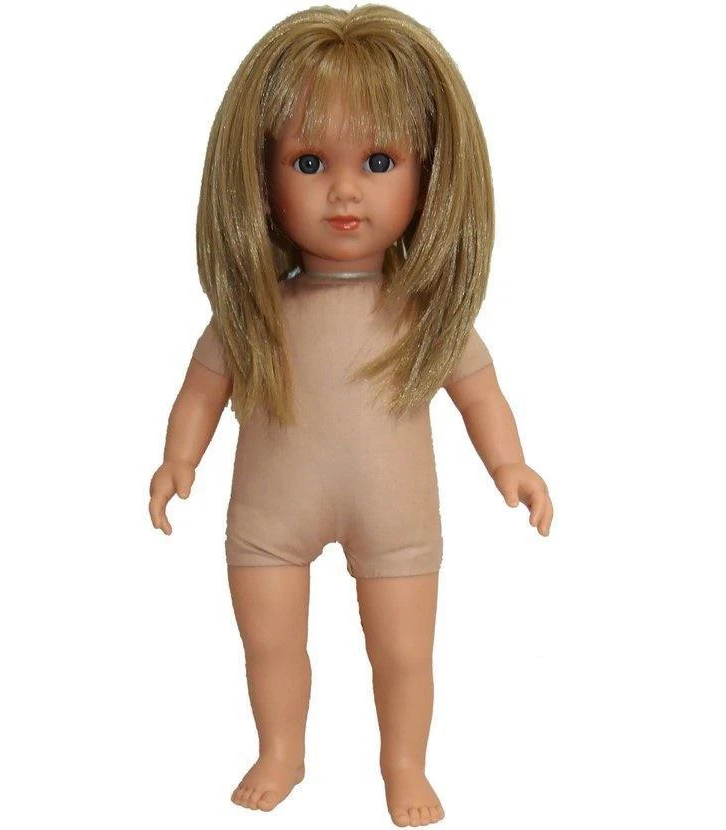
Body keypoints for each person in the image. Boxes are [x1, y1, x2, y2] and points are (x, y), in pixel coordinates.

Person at [149, 5, 553, 826]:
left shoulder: (422, 314)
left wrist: (510, 464)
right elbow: (201, 390)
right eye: (308, 161)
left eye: (378, 160)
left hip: (395, 516)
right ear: (259, 177)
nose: (343, 190)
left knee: (404, 655)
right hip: (270, 512)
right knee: (270, 646)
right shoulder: (255, 313)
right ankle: (281, 751)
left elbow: (481, 393)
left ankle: (404, 765)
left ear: (429, 175)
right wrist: (178, 459)